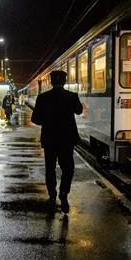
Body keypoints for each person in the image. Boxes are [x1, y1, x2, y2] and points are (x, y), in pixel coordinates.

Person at [31, 70, 83, 214]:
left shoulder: (43, 97)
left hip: (50, 139)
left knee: (50, 168)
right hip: (67, 139)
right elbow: (79, 111)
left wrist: (47, 121)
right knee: (68, 168)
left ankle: (52, 194)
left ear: (51, 82)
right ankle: (64, 192)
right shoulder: (72, 96)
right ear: (64, 82)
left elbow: (35, 119)